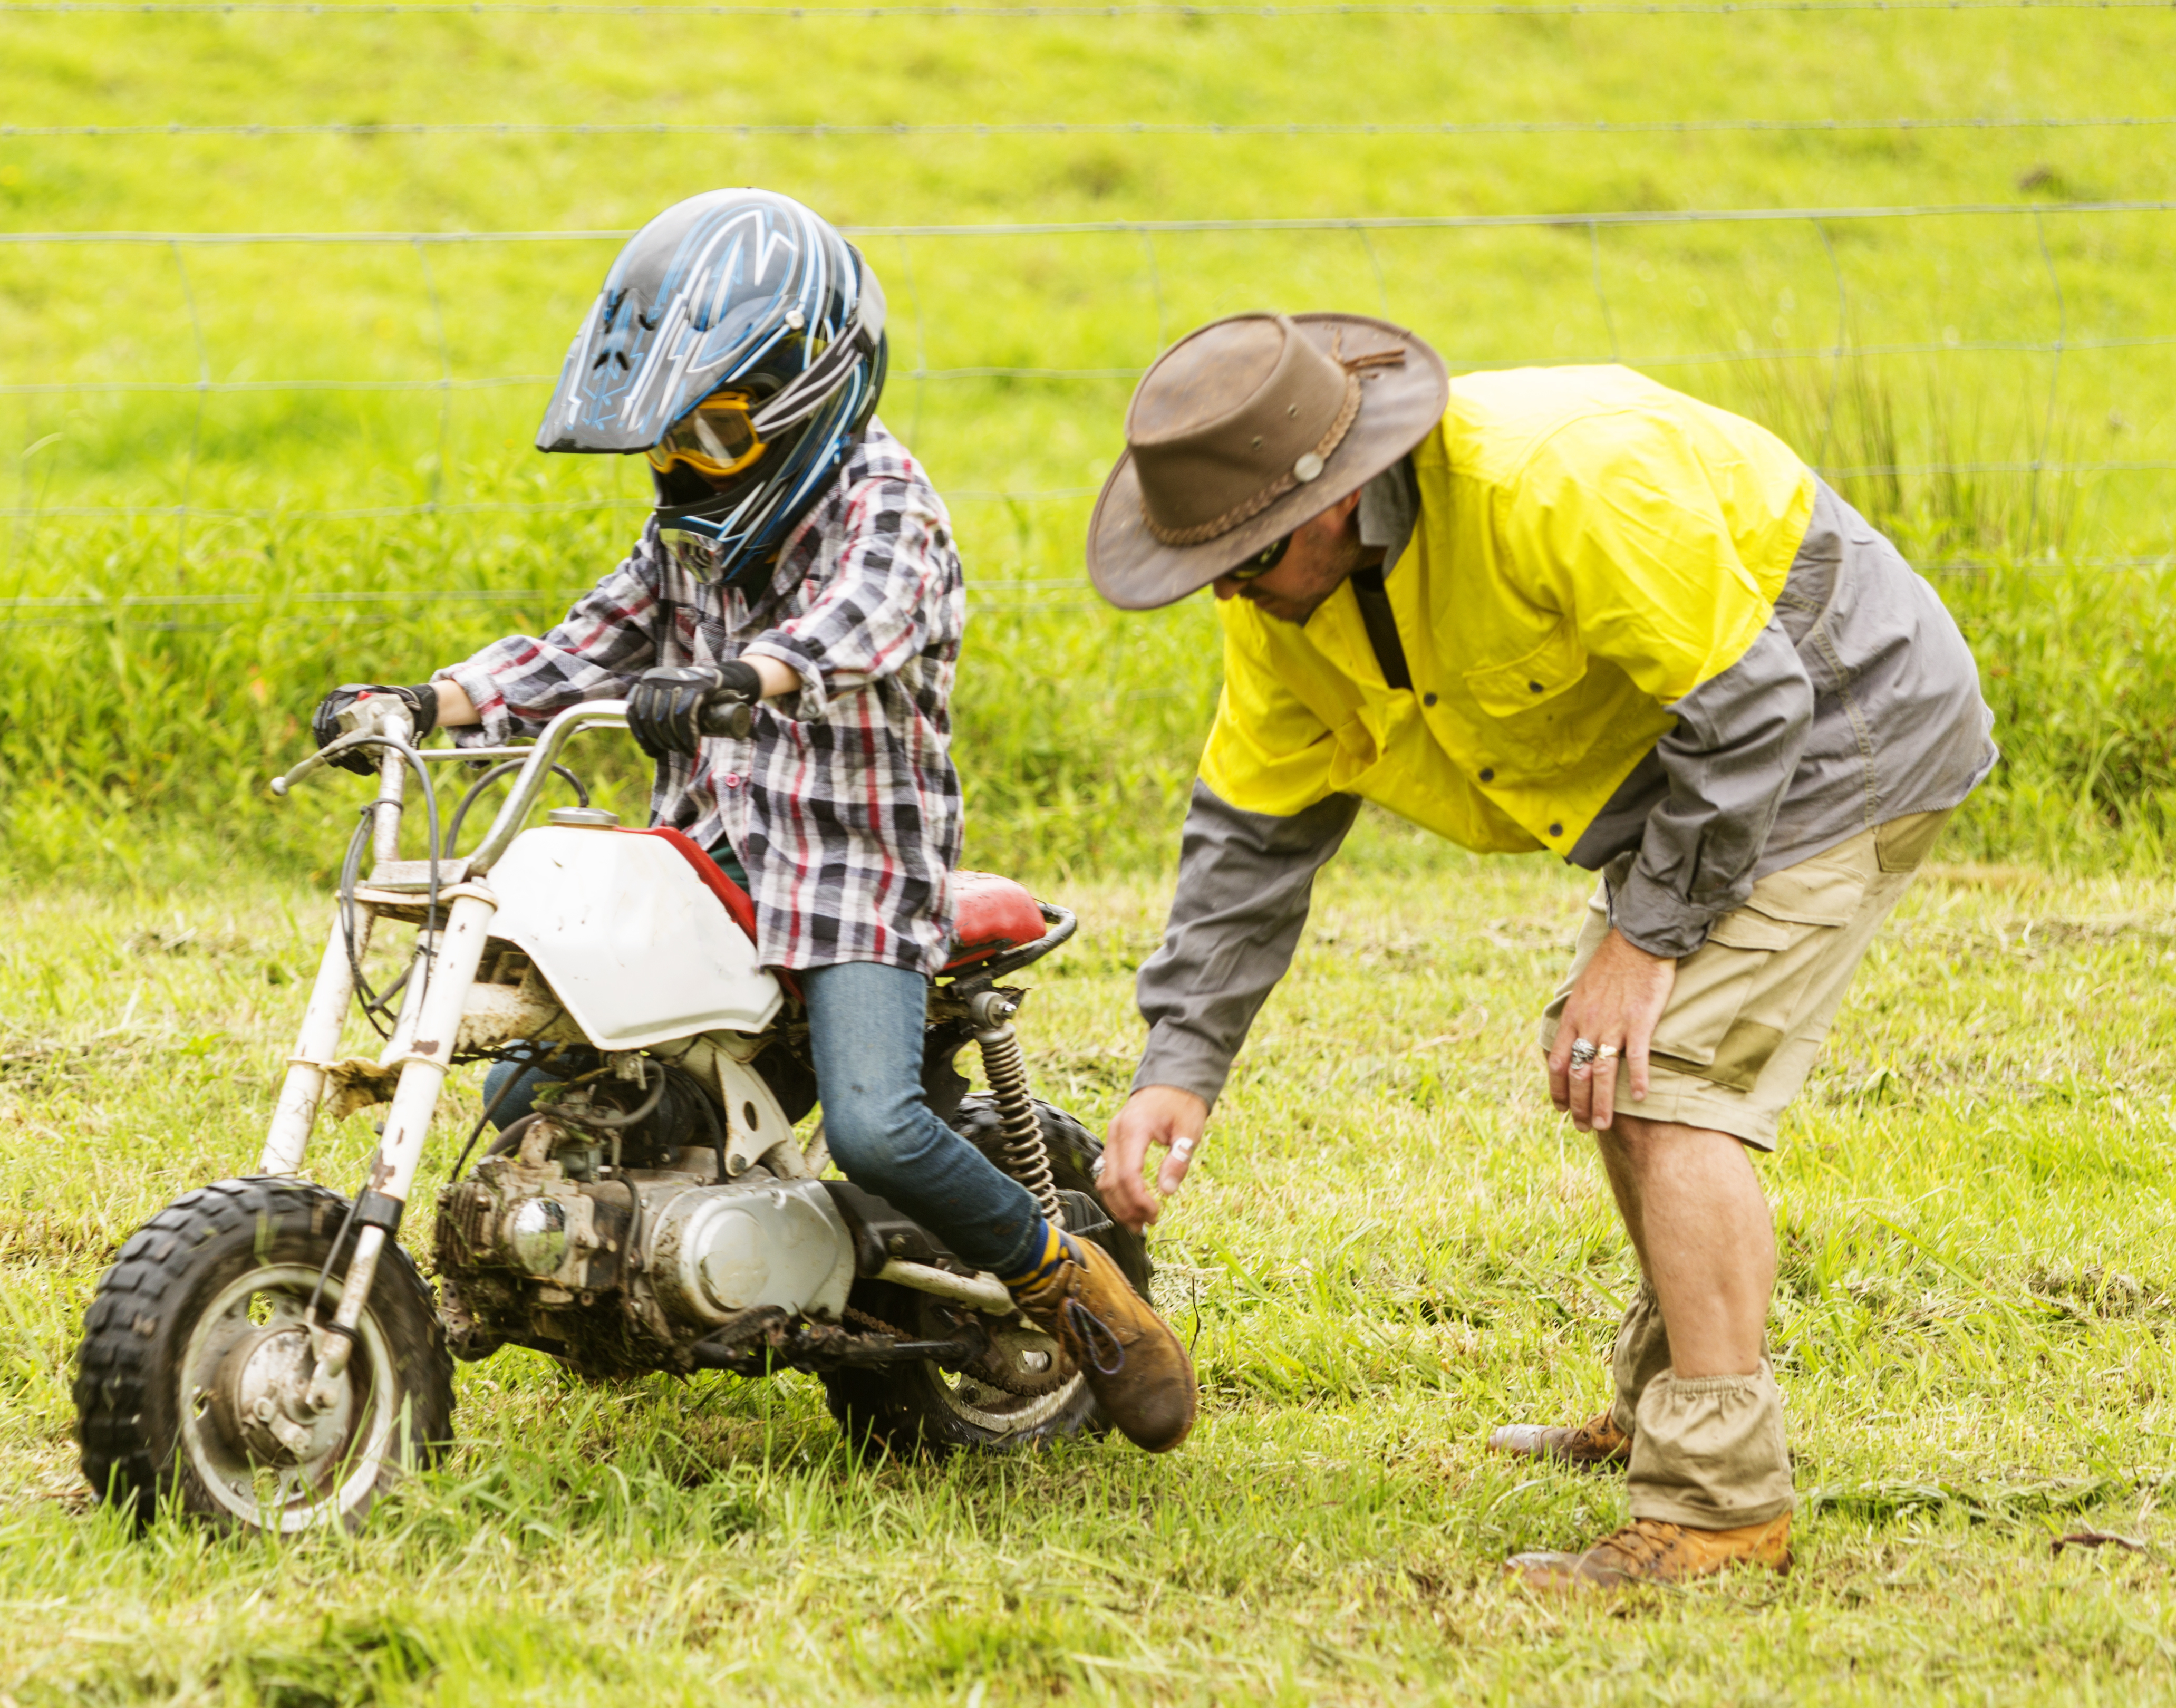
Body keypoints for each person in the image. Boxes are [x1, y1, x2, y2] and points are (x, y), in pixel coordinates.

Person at [1085, 311, 1993, 1582]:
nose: (1222, 587)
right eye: (1206, 561)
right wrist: (1179, 1063)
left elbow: (1755, 708)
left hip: (1845, 723)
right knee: (1606, 1066)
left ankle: (1720, 1510)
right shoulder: (1280, 601)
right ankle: (1662, 1414)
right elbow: (1254, 836)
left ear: (1333, 502)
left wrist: (1644, 936)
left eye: (1240, 555)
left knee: (1667, 1078)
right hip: (1708, 759)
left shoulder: (1555, 483)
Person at [311, 188, 1193, 1450]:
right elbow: (586, 645)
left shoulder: (885, 501)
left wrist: (746, 675)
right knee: (528, 1084)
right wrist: (428, 699)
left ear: (803, 400)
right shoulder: (691, 532)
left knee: (881, 1125)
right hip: (714, 874)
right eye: (668, 442)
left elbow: (859, 624)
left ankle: (1076, 1290)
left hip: (856, 884)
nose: (682, 468)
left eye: (712, 435)